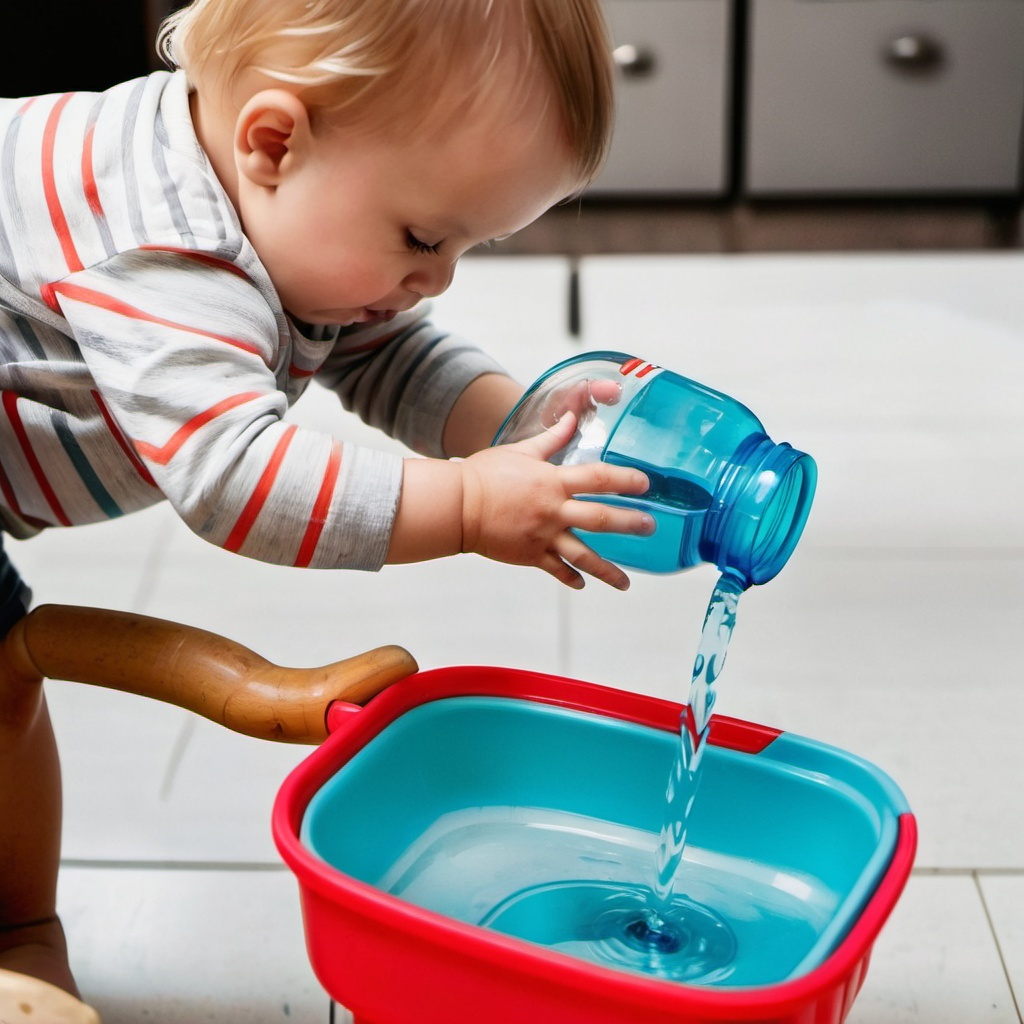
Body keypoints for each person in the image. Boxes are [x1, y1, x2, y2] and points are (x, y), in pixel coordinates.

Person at [0, 0, 652, 1015]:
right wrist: (472, 505)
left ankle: (16, 932)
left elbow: (380, 349)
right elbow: (234, 479)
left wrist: (510, 426)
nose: (433, 278)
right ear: (273, 141)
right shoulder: (167, 247)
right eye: (424, 236)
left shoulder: (273, 207)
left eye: (463, 249)